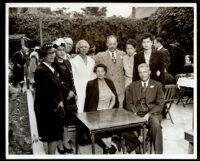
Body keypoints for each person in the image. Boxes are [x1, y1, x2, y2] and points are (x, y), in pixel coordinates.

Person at [125, 63, 164, 154]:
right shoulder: (133, 85)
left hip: (152, 113)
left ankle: (159, 154)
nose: (143, 74)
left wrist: (149, 114)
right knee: (122, 127)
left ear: (149, 72)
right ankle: (137, 143)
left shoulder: (157, 85)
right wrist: (134, 113)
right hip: (136, 113)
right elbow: (129, 103)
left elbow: (160, 104)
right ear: (138, 74)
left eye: (145, 72)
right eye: (140, 72)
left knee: (156, 125)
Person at [34, 42, 65, 154]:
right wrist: (57, 103)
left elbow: (58, 87)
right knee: (53, 137)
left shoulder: (52, 67)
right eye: (49, 54)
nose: (52, 55)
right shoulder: (40, 70)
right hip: (46, 109)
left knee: (55, 136)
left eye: (53, 53)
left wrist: (61, 100)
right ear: (43, 56)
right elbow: (46, 92)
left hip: (55, 106)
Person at [84, 64, 119, 154]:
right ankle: (109, 146)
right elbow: (88, 101)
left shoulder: (109, 82)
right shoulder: (90, 84)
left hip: (108, 110)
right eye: (98, 71)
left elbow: (114, 98)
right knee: (100, 127)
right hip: (96, 112)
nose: (100, 73)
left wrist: (109, 109)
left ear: (105, 72)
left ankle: (106, 147)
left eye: (102, 71)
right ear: (95, 72)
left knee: (109, 127)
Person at [52, 39, 77, 154]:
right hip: (60, 95)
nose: (61, 52)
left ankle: (66, 140)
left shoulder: (67, 62)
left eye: (63, 50)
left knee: (67, 119)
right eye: (59, 50)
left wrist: (74, 92)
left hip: (70, 95)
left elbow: (71, 79)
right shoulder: (53, 64)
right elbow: (58, 81)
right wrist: (68, 92)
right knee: (60, 119)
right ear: (55, 51)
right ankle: (60, 143)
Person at [92, 35, 126, 108]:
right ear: (107, 44)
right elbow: (89, 61)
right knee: (108, 110)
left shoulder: (123, 54)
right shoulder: (101, 55)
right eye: (110, 44)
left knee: (120, 110)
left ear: (117, 44)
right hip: (107, 87)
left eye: (114, 44)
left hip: (120, 87)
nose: (112, 46)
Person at [70, 40, 96, 113]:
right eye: (81, 47)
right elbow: (73, 77)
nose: (84, 49)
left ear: (88, 48)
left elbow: (92, 75)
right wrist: (75, 91)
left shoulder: (92, 61)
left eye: (85, 47)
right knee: (80, 108)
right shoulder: (73, 61)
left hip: (90, 87)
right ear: (78, 49)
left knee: (90, 107)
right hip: (79, 87)